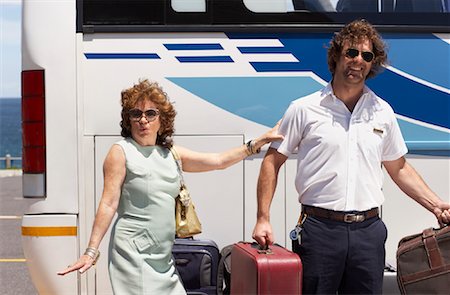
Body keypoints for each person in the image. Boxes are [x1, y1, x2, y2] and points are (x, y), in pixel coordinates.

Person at [252, 19, 450, 294]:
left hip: (368, 233)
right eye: (351, 53)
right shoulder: (303, 109)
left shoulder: (382, 112)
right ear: (336, 56)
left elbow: (399, 167)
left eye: (366, 56)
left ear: (372, 64)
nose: (358, 61)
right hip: (320, 230)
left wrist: (436, 204)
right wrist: (263, 217)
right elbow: (272, 161)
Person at [57, 79, 284, 294]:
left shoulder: (171, 153)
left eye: (150, 113)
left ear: (161, 119)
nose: (143, 120)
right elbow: (108, 204)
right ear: (128, 120)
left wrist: (258, 142)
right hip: (132, 253)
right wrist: (90, 251)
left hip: (162, 257)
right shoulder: (121, 152)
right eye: (135, 114)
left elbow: (218, 161)